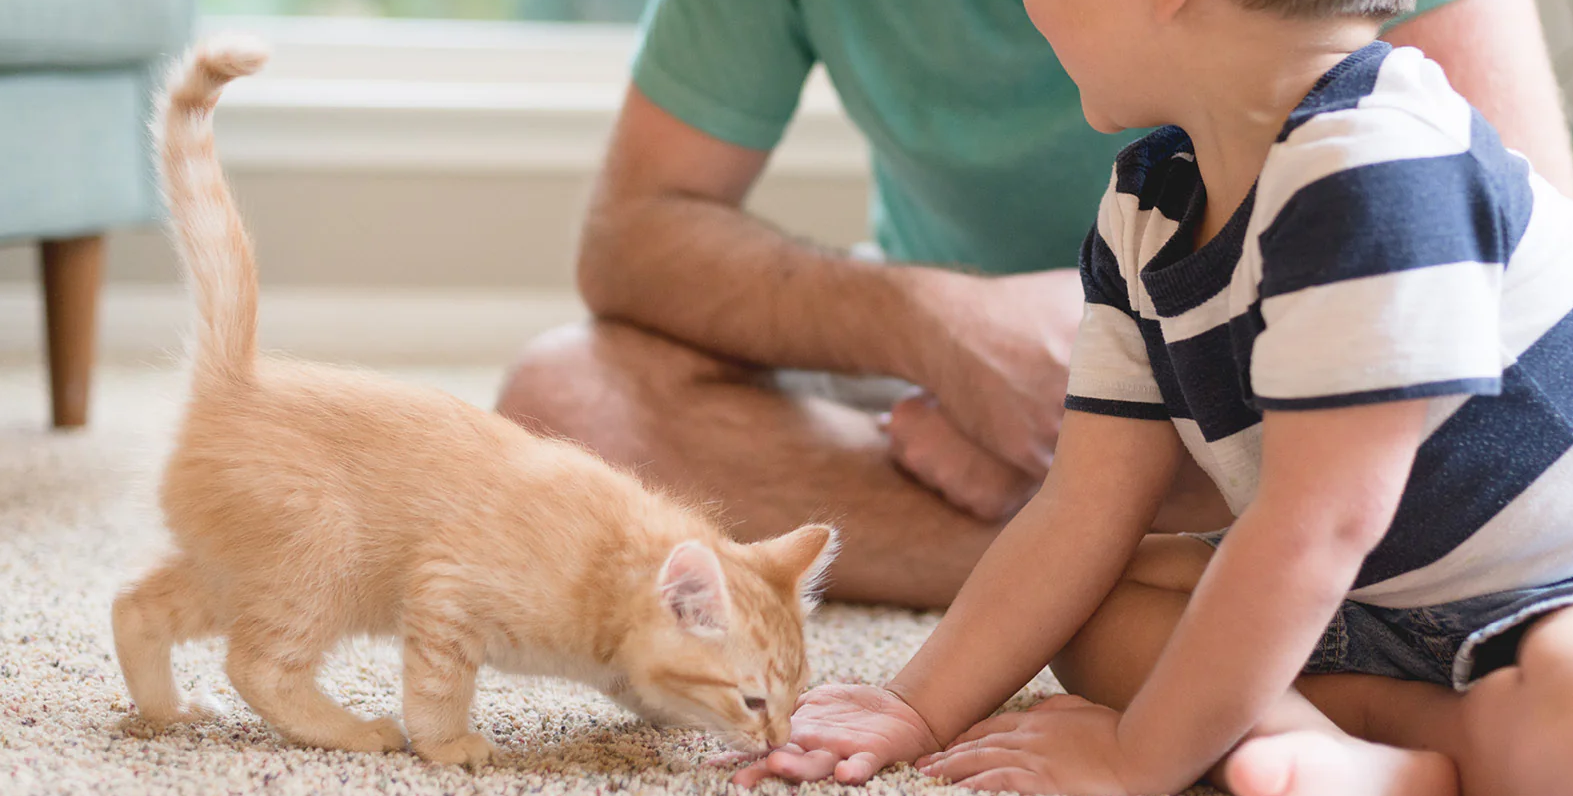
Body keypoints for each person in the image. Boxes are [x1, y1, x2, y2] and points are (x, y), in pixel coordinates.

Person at [726, 0, 1573, 793]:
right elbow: (1084, 505)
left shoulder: (1387, 164)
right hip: (1365, 602)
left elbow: (1317, 525)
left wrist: (1138, 761)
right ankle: (1363, 746)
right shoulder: (1148, 204)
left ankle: (1427, 746)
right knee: (1090, 607)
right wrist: (915, 702)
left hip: (1544, 588)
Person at [496, 0, 1573, 609]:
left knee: (1470, 445)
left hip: (1303, 356)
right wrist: (939, 325)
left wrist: (1132, 393)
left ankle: (1135, 544)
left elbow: (1494, 294)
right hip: (936, 388)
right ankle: (1139, 553)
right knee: (562, 404)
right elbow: (633, 234)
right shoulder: (1134, 189)